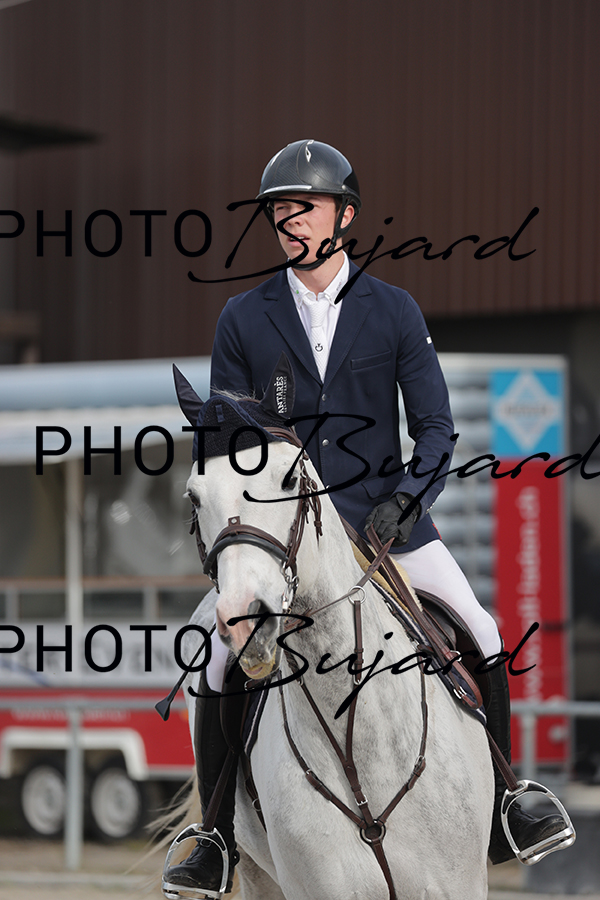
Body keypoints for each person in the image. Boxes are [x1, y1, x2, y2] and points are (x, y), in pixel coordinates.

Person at [167, 140, 568, 894]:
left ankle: (507, 800)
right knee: (212, 659)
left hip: (388, 528)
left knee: (482, 630)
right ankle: (215, 833)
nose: (289, 220)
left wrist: (406, 501)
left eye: (305, 206)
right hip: (285, 540)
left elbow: (437, 428)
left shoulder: (393, 310)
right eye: (278, 210)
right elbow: (224, 444)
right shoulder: (242, 318)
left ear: (344, 216)